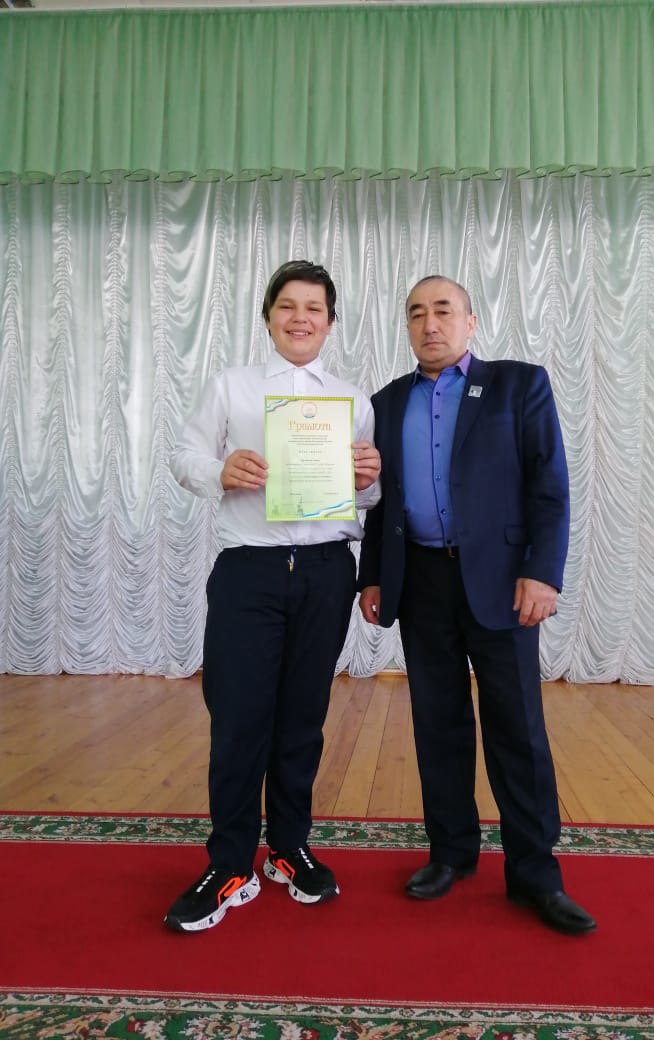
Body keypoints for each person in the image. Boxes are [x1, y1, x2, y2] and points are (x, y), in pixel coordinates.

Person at [357, 275, 595, 936]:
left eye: (443, 310)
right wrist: (373, 577)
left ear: (470, 321)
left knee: (516, 728)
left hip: (502, 583)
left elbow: (549, 486)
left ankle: (536, 873)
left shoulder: (519, 385)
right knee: (438, 725)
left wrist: (541, 573)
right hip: (421, 582)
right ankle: (451, 853)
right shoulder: (386, 402)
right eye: (416, 314)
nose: (429, 324)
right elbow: (380, 501)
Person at [165, 260, 381, 933]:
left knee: (303, 718)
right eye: (287, 306)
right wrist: (220, 470)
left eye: (314, 308)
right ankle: (230, 863)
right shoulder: (231, 386)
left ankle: (289, 849)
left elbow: (367, 496)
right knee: (237, 719)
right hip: (248, 570)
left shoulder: (353, 401)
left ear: (331, 322)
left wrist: (370, 478)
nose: (300, 318)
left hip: (326, 571)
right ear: (267, 317)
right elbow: (183, 456)